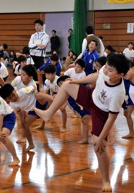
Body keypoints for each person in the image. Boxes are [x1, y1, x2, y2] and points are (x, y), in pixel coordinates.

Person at [34, 54, 130, 192]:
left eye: (110, 70)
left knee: (99, 146)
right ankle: (48, 114)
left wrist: (101, 138)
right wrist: (78, 81)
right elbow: (97, 76)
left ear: (120, 75)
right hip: (91, 97)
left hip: (102, 113)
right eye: (106, 67)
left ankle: (106, 181)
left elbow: (111, 118)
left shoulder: (118, 93)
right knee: (67, 84)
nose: (105, 71)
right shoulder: (105, 70)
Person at [37, 64, 67, 132]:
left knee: (62, 109)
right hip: (52, 97)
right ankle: (42, 124)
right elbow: (46, 93)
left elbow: (63, 92)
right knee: (45, 107)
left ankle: (64, 126)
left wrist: (57, 98)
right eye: (46, 74)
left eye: (49, 74)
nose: (47, 76)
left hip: (63, 96)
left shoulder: (59, 81)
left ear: (54, 73)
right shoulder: (47, 81)